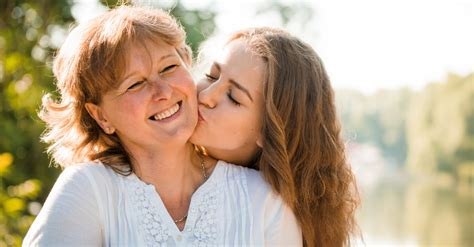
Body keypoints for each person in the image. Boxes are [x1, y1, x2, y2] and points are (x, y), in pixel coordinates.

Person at [23, 6, 301, 246]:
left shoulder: (263, 198)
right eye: (134, 84)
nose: (162, 91)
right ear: (101, 117)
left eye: (168, 68)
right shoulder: (87, 190)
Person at [190, 27, 360, 246]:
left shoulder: (272, 213)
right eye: (211, 76)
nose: (205, 95)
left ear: (268, 131)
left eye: (233, 97)